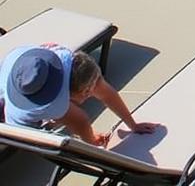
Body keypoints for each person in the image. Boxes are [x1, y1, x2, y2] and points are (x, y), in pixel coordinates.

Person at [0, 45, 159, 144]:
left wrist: (133, 124)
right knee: (68, 119)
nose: (94, 90)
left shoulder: (61, 55)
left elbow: (105, 92)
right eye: (89, 91)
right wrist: (93, 141)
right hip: (17, 124)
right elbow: (81, 123)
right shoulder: (53, 105)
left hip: (10, 69)